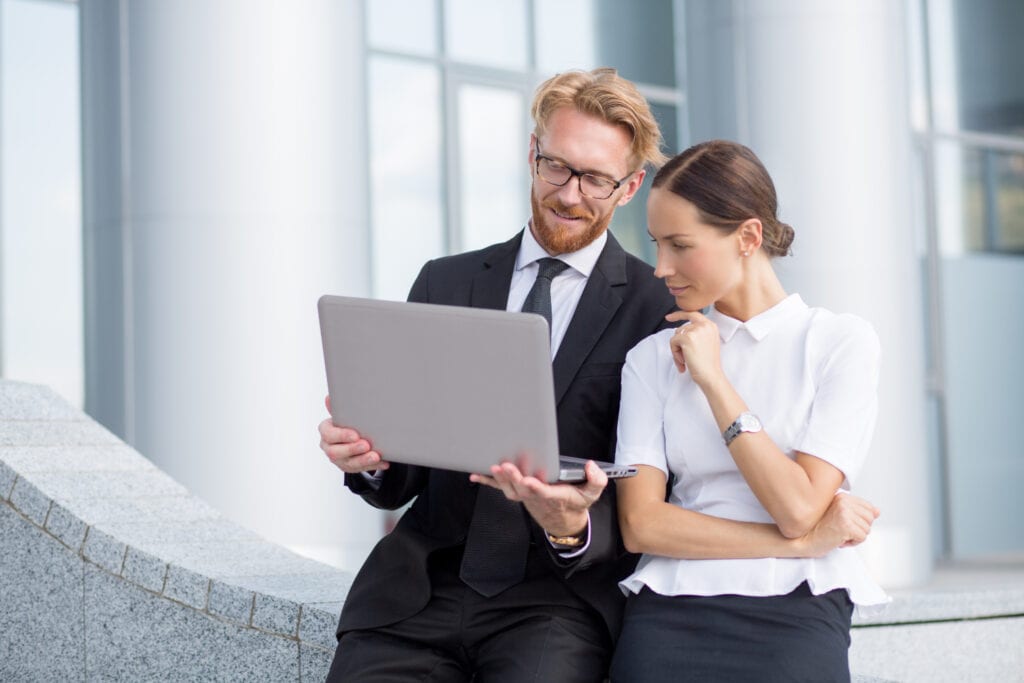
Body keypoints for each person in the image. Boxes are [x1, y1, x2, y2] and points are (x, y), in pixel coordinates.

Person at [318, 68, 677, 682]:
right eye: (557, 167)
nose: (570, 195)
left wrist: (573, 529)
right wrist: (370, 457)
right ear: (532, 154)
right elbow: (402, 475)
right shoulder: (445, 281)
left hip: (557, 604)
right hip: (419, 592)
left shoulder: (658, 308)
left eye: (596, 179)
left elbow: (665, 486)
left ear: (630, 187)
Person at [608, 139, 889, 683]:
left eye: (679, 245)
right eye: (657, 244)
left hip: (797, 609)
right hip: (670, 609)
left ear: (748, 237)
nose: (661, 268)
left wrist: (715, 382)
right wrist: (802, 544)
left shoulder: (838, 343)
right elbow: (641, 525)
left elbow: (797, 506)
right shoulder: (651, 359)